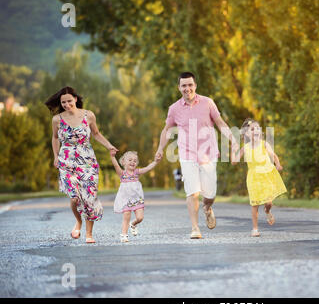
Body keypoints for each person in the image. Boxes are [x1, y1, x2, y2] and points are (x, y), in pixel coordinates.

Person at [155, 72, 239, 239]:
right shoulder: (174, 109)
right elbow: (166, 130)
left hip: (208, 154)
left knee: (209, 195)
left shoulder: (208, 103)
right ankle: (195, 228)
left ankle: (207, 208)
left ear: (195, 85)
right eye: (184, 85)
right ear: (179, 88)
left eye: (190, 85)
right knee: (192, 192)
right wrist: (160, 149)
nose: (187, 88)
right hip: (187, 154)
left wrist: (233, 140)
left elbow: (220, 123)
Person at [46, 86, 118, 243]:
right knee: (75, 197)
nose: (66, 104)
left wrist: (109, 146)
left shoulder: (88, 115)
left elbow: (96, 134)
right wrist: (55, 156)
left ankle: (89, 234)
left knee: (89, 198)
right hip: (66, 161)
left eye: (69, 101)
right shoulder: (57, 119)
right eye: (63, 102)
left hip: (87, 161)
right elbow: (55, 138)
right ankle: (78, 221)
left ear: (76, 99)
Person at [231, 118, 287, 237]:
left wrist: (278, 164)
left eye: (257, 128)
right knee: (254, 203)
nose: (255, 130)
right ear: (246, 133)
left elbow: (273, 155)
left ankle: (267, 210)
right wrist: (232, 150)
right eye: (252, 129)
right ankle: (255, 229)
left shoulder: (264, 144)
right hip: (253, 177)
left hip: (266, 174)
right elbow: (234, 162)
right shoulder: (245, 148)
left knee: (268, 202)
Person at [110, 150, 158, 243]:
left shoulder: (137, 172)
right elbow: (116, 165)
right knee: (126, 216)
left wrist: (155, 161)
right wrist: (112, 157)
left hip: (137, 199)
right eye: (130, 160)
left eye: (135, 161)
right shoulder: (122, 174)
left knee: (140, 217)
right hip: (126, 199)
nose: (133, 162)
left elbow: (147, 168)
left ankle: (133, 223)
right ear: (123, 162)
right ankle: (124, 235)